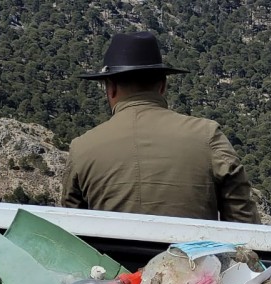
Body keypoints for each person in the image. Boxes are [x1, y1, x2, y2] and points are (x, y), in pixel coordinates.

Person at [61, 31, 260, 223]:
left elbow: (73, 229)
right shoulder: (208, 136)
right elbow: (242, 224)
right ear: (163, 86)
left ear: (110, 88)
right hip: (190, 258)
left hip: (110, 258)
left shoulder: (82, 147)